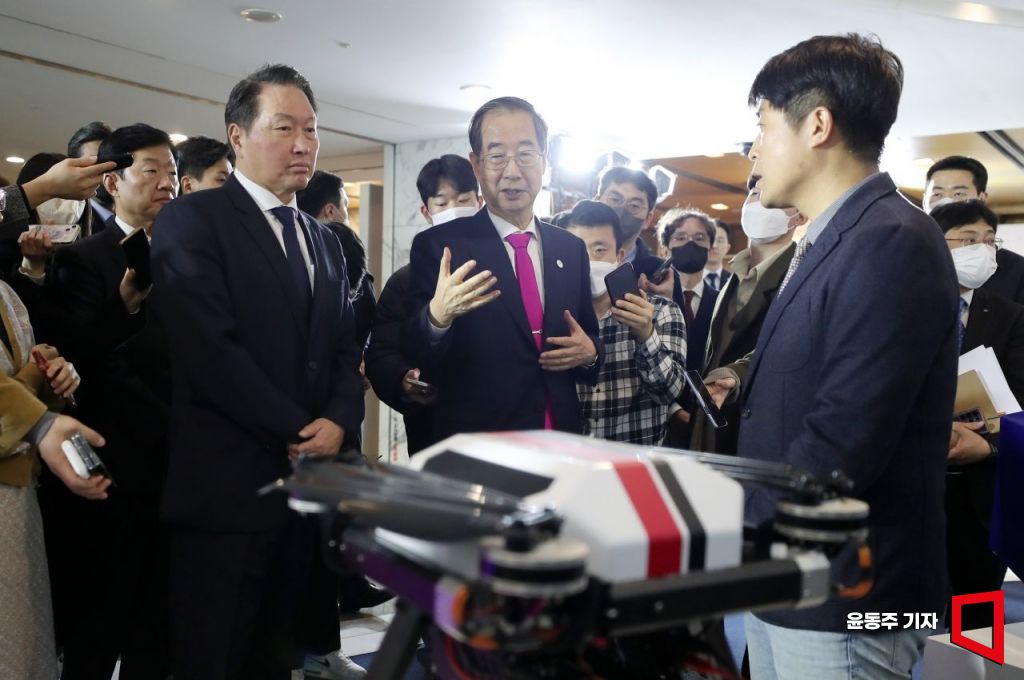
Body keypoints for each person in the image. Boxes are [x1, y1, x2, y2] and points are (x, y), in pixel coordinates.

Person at [709, 34, 958, 678]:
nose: (754, 150)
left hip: (851, 594)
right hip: (793, 576)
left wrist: (723, 526)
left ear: (817, 125)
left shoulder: (891, 240)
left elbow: (845, 439)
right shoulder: (831, 238)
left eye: (763, 127)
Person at [151, 63, 366, 680]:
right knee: (213, 659)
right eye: (284, 127)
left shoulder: (325, 240)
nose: (303, 144)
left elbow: (344, 348)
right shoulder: (194, 220)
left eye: (311, 129)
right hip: (227, 493)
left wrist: (338, 419)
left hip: (304, 497)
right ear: (237, 136)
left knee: (277, 661)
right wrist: (300, 429)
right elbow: (210, 352)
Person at [43, 123, 175, 679]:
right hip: (112, 464)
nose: (167, 182)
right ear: (113, 182)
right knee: (98, 625)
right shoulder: (81, 260)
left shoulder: (191, 256)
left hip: (178, 467)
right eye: (152, 170)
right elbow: (79, 361)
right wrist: (121, 307)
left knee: (158, 627)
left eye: (172, 171)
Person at [404, 96, 602, 438]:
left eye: (525, 154)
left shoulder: (570, 248)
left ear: (544, 161)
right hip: (482, 441)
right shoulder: (441, 246)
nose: (513, 171)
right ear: (476, 165)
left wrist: (591, 353)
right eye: (497, 156)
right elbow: (415, 352)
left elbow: (587, 336)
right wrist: (437, 317)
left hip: (560, 435)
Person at [0, 279, 107, 679]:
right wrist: (40, 420)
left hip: (18, 501)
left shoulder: (6, 294)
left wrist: (55, 377)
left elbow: (28, 388)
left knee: (25, 651)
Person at [931, 199, 1024, 631]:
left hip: (981, 489)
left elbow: (1020, 399)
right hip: (914, 485)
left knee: (976, 616)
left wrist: (988, 444)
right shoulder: (901, 306)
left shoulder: (1010, 315)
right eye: (968, 240)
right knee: (902, 618)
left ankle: (977, 660)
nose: (982, 251)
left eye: (990, 241)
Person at [365, 154, 481, 454]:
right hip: (435, 427)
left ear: (480, 202)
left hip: (500, 425)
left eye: (463, 200)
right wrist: (402, 379)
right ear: (426, 212)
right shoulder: (405, 281)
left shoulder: (506, 268)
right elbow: (381, 352)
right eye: (442, 204)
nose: (454, 211)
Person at [690, 179, 801, 455]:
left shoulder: (801, 275)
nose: (761, 203)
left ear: (799, 216)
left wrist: (736, 376)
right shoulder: (734, 275)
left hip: (759, 431)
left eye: (776, 199)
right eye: (754, 194)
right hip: (711, 427)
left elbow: (788, 349)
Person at [565, 199, 686, 444]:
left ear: (619, 256)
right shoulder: (555, 316)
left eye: (600, 250)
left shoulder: (661, 311)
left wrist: (646, 334)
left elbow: (669, 392)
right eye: (578, 251)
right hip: (570, 455)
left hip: (636, 456)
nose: (589, 260)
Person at [924, 155, 1024, 305]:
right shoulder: (907, 258)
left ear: (981, 198)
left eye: (958, 194)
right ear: (924, 199)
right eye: (937, 194)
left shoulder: (1016, 270)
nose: (946, 201)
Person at [594, 165, 658, 263]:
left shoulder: (660, 271)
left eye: (634, 205)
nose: (621, 211)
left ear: (647, 219)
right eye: (614, 199)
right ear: (595, 202)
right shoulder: (569, 251)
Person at [703, 220, 732, 290]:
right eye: (710, 240)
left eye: (719, 241)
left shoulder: (735, 282)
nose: (714, 245)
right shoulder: (685, 280)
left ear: (727, 248)